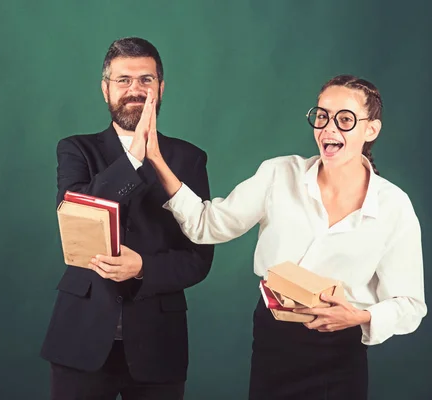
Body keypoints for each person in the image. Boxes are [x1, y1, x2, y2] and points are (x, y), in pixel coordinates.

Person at [142, 74, 427, 399]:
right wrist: (156, 160)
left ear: (371, 129)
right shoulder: (278, 174)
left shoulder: (393, 205)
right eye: (322, 116)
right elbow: (207, 224)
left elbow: (409, 304)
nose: (329, 129)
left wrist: (360, 316)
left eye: (345, 120)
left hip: (341, 351)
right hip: (275, 342)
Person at [40, 37, 215, 400]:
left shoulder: (190, 158)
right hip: (81, 341)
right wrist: (136, 156)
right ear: (106, 90)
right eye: (123, 80)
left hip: (158, 346)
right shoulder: (75, 149)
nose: (135, 89)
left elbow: (198, 259)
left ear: (160, 88)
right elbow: (77, 213)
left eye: (146, 80)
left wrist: (142, 268)